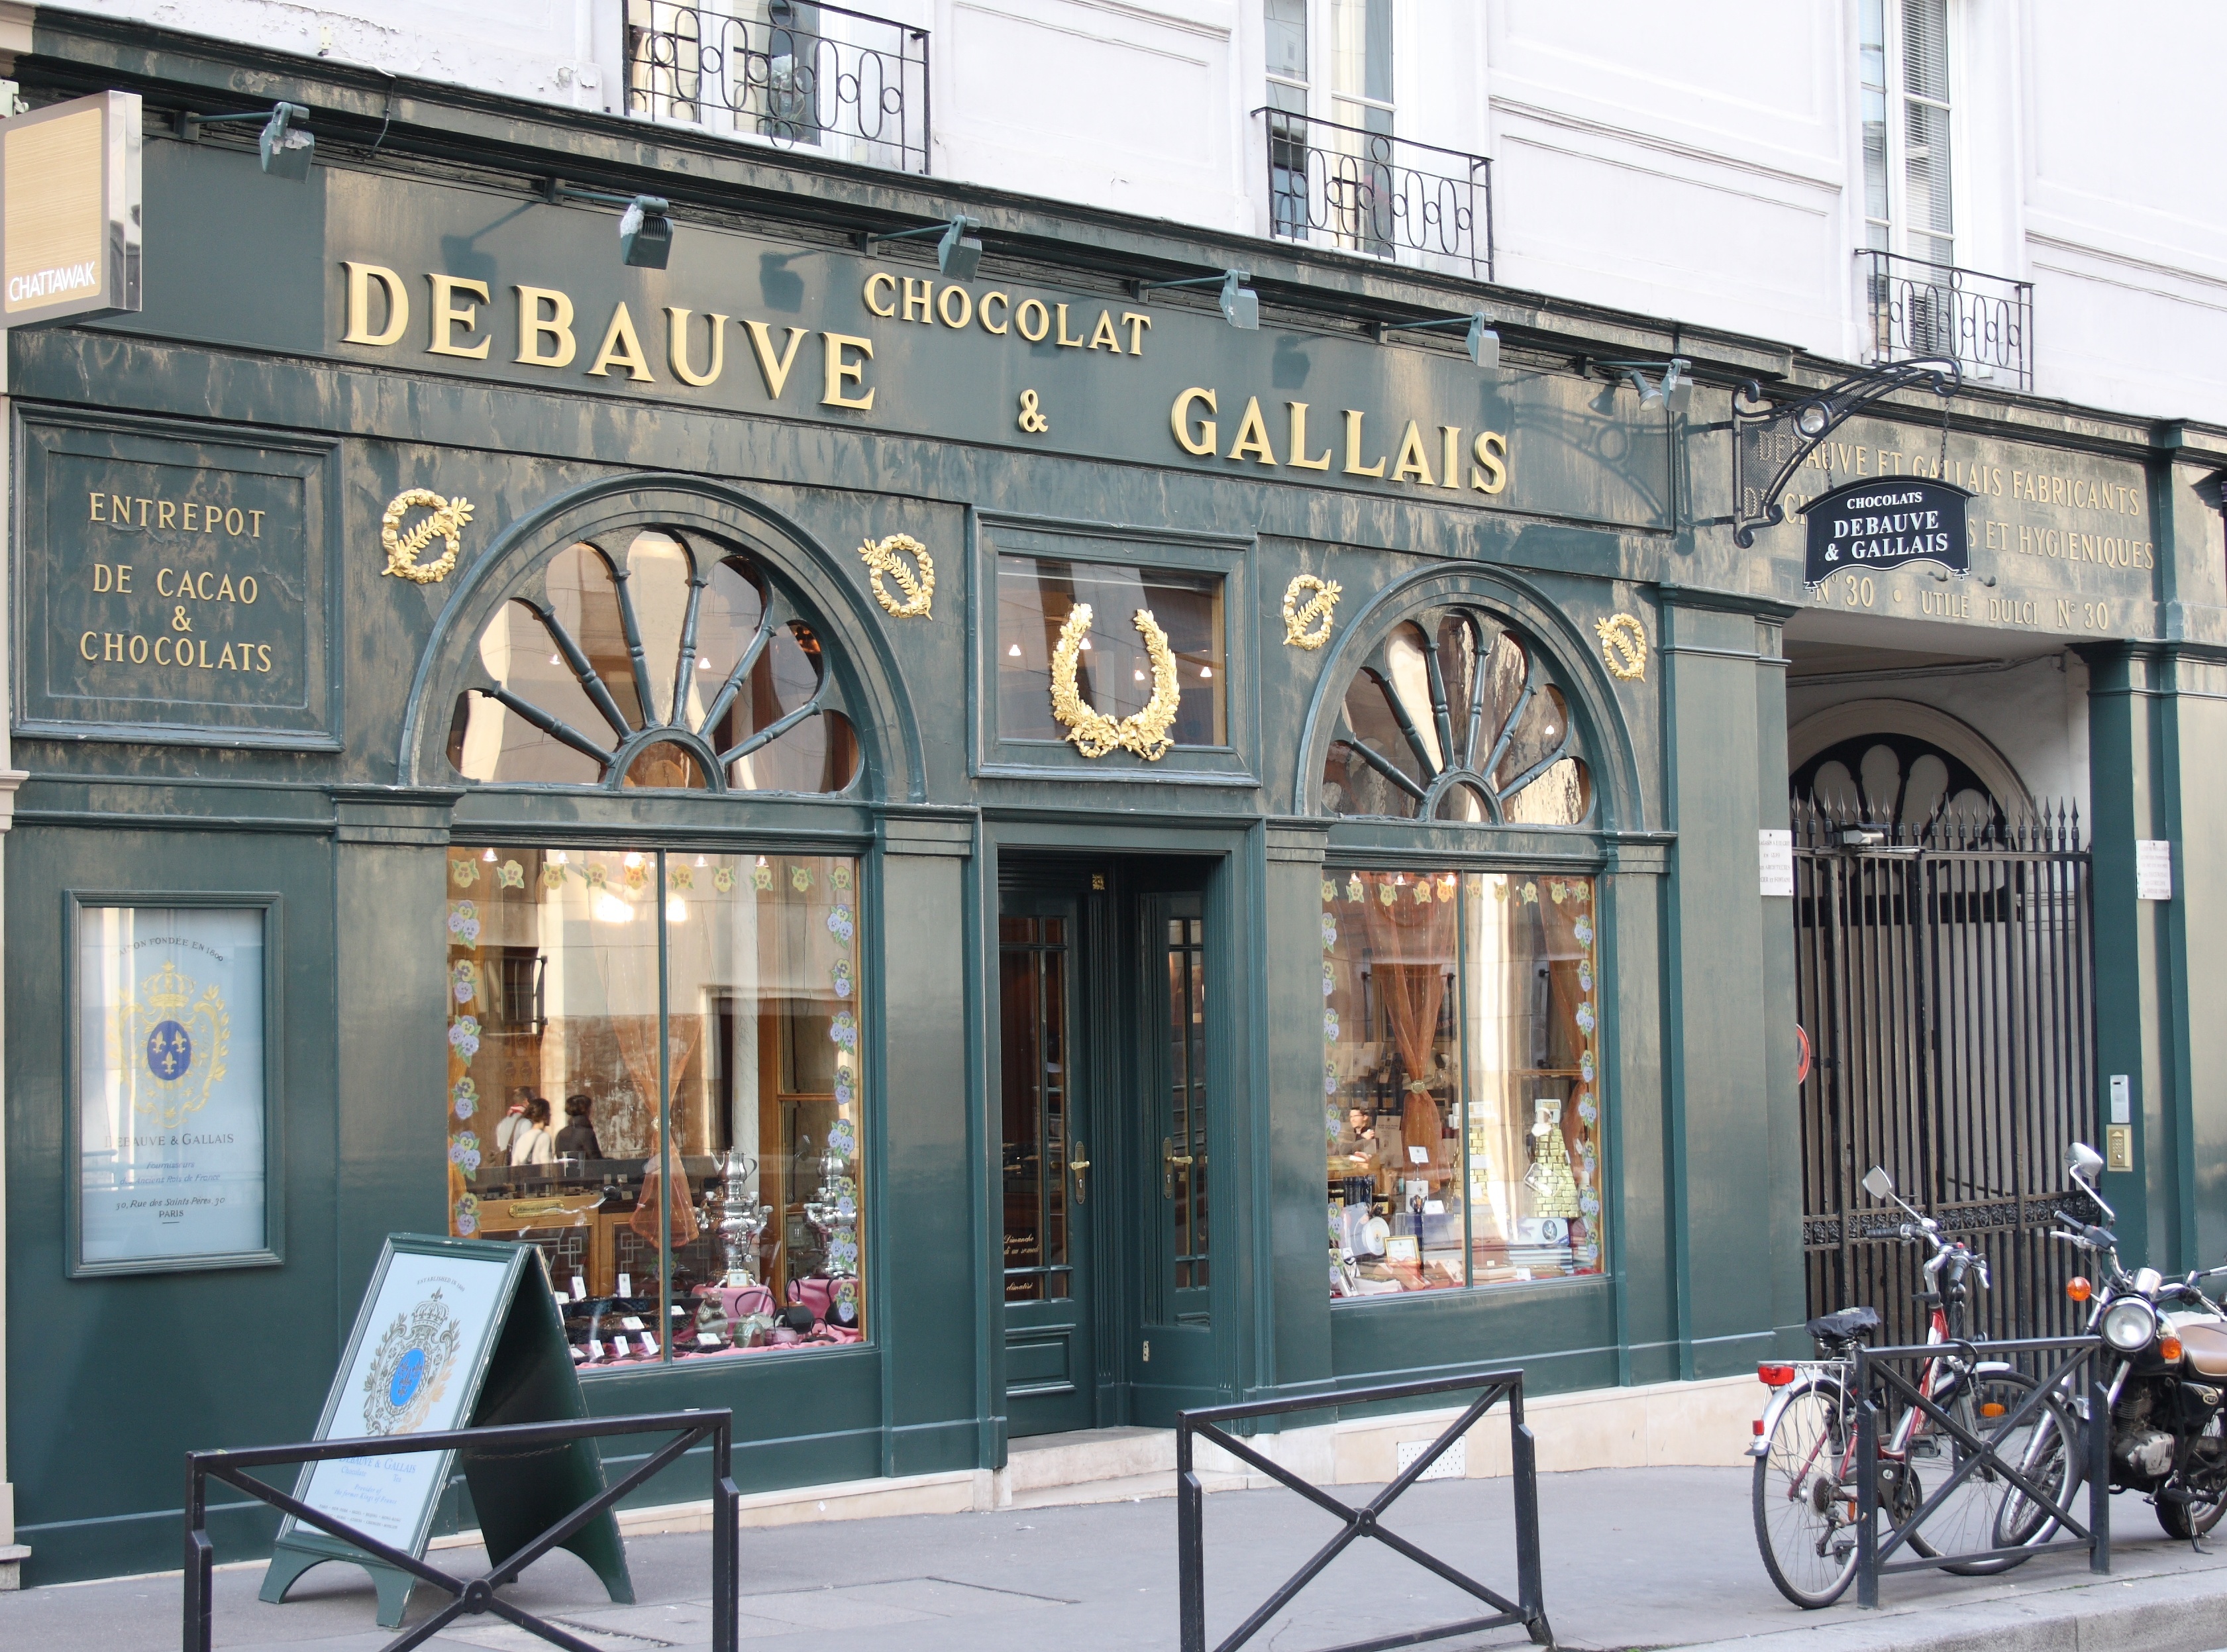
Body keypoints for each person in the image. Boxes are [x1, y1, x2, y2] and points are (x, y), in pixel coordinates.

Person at [507, 1096, 555, 1166]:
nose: (550, 1115)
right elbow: (546, 1165)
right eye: (549, 1112)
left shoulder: (523, 1138)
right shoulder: (544, 1137)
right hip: (538, 1176)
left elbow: (515, 1164)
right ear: (544, 1115)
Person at [554, 1093, 603, 1162]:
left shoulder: (561, 1133)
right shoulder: (586, 1133)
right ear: (586, 1110)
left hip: (565, 1172)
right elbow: (596, 1160)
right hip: (584, 1172)